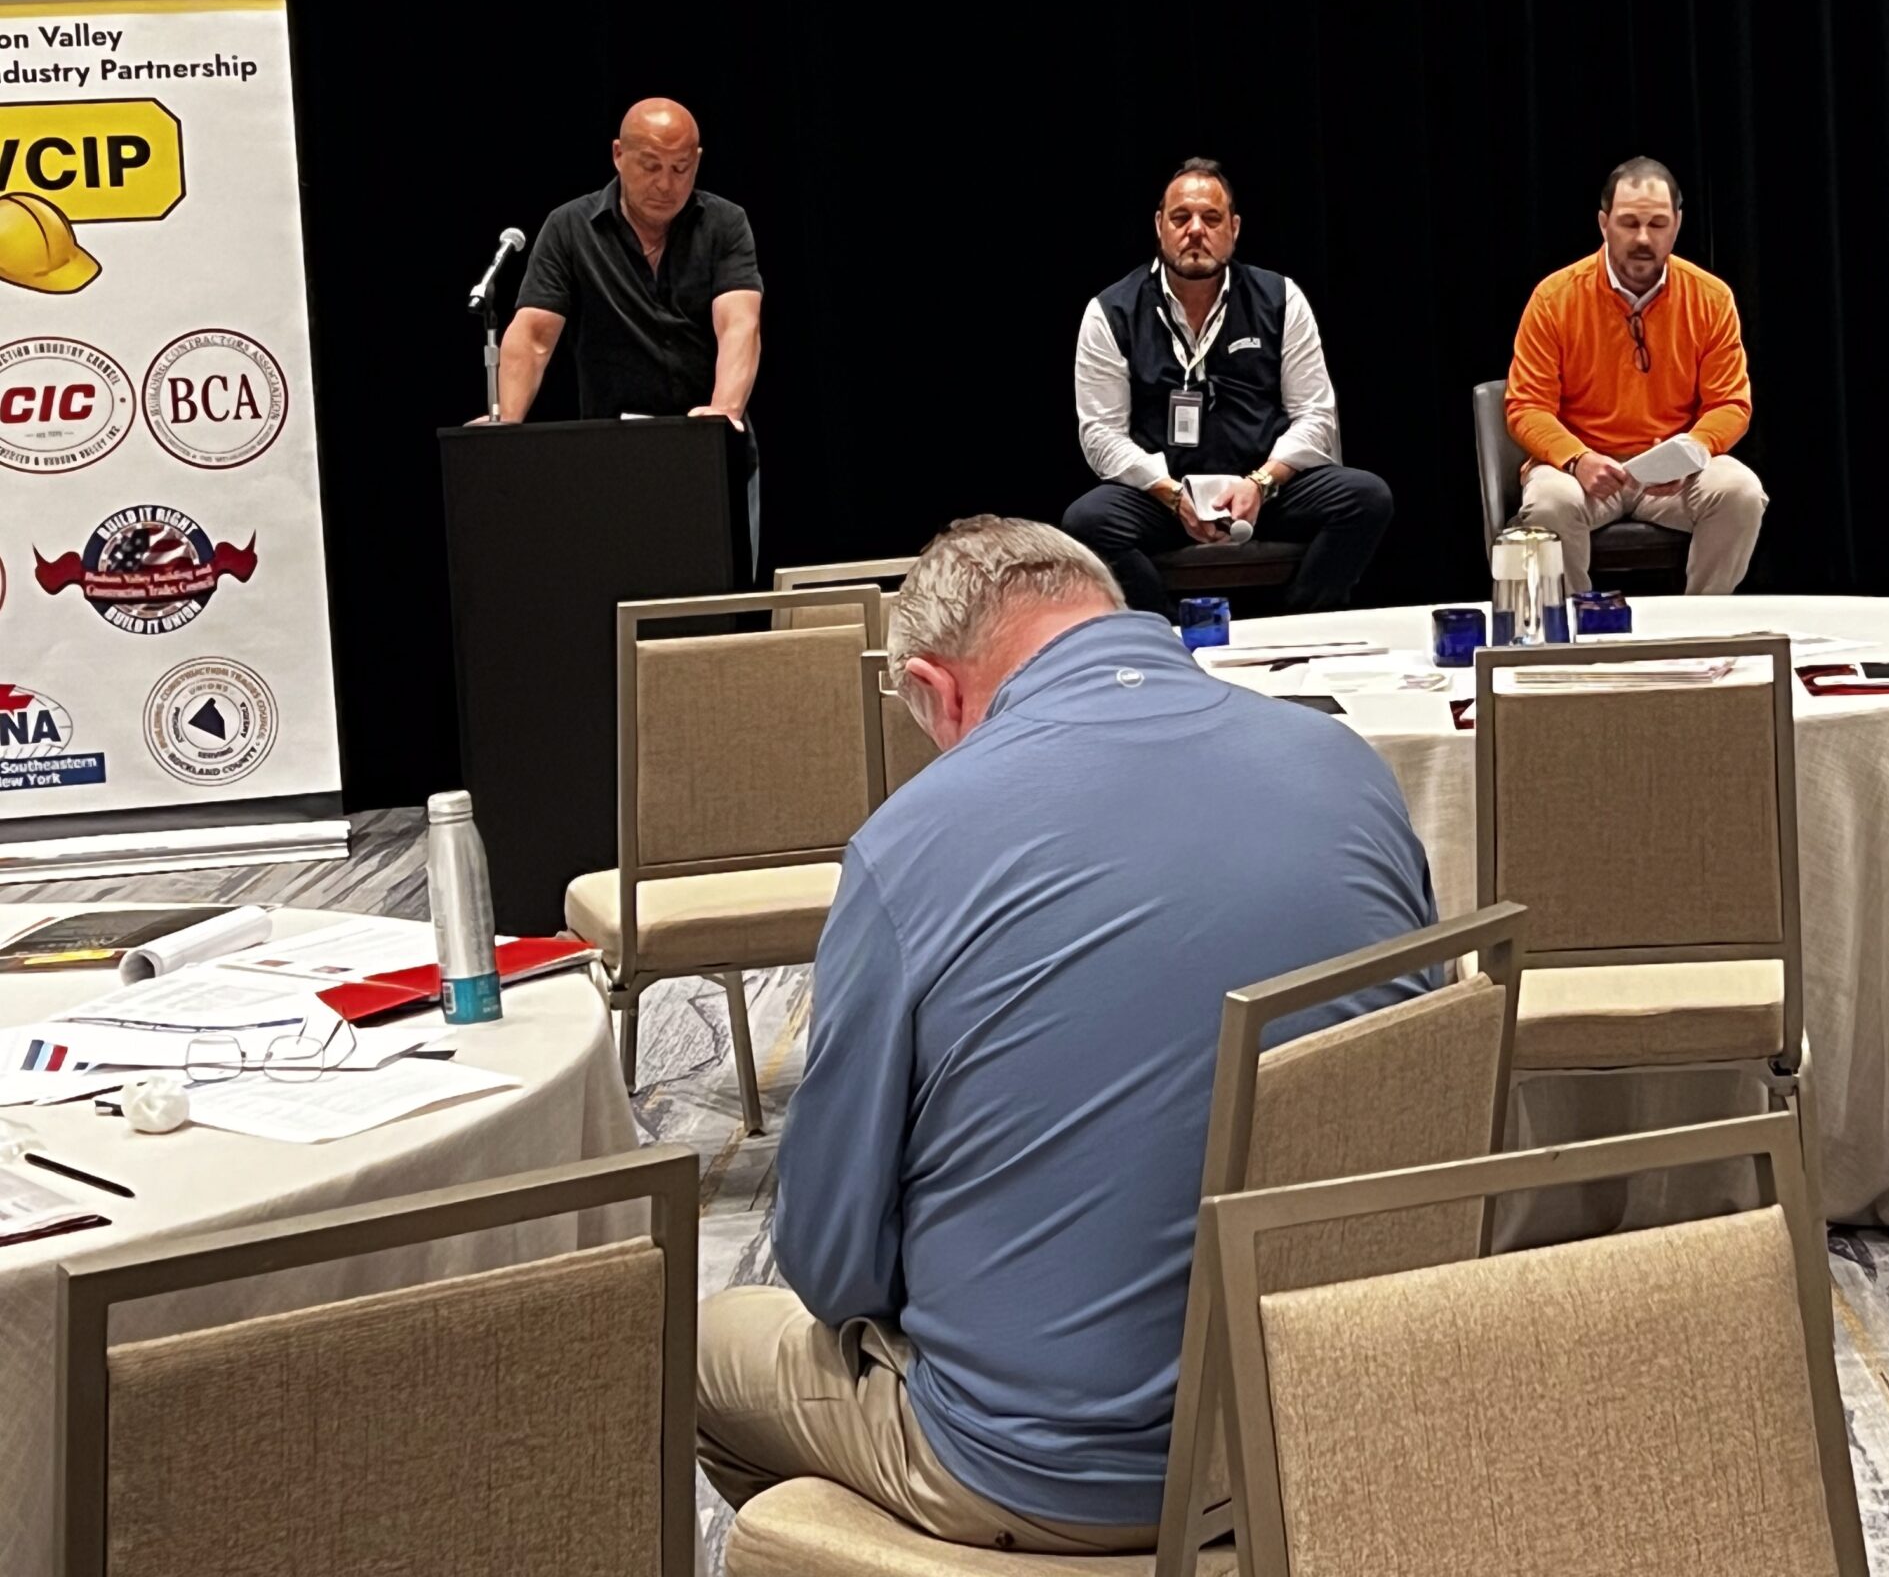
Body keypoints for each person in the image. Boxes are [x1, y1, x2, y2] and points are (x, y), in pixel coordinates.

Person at [696, 517, 1436, 1552]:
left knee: (704, 1346)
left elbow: (833, 1269)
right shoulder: (1349, 767)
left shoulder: (909, 842)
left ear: (936, 689)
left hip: (1058, 1476)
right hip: (1340, 1411)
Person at [1064, 158, 1394, 614]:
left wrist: (1261, 483)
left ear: (1234, 229)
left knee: (1366, 498)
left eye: (1211, 218)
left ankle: (1298, 622)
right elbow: (1101, 434)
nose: (1195, 230)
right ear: (1159, 226)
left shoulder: (1280, 298)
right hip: (1163, 496)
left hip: (1264, 491)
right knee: (1087, 520)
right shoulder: (1110, 311)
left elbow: (1316, 415)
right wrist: (1172, 495)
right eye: (1181, 217)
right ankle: (1166, 635)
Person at [493, 98, 765, 548]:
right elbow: (534, 336)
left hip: (708, 444)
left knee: (720, 581)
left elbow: (740, 324)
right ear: (618, 155)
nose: (666, 184)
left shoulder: (725, 224)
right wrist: (506, 422)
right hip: (612, 452)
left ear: (697, 161)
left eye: (681, 169)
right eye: (651, 166)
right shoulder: (569, 227)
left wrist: (724, 411)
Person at [1504, 156, 1767, 593]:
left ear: (1677, 225)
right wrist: (1577, 458)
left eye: (1657, 224)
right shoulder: (1554, 297)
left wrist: (1691, 452)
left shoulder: (1711, 297)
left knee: (1740, 491)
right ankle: (1577, 626)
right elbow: (1526, 407)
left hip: (1673, 475)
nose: (1643, 238)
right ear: (1604, 223)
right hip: (1579, 469)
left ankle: (1701, 623)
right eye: (1629, 223)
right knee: (1549, 502)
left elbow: (1730, 403)